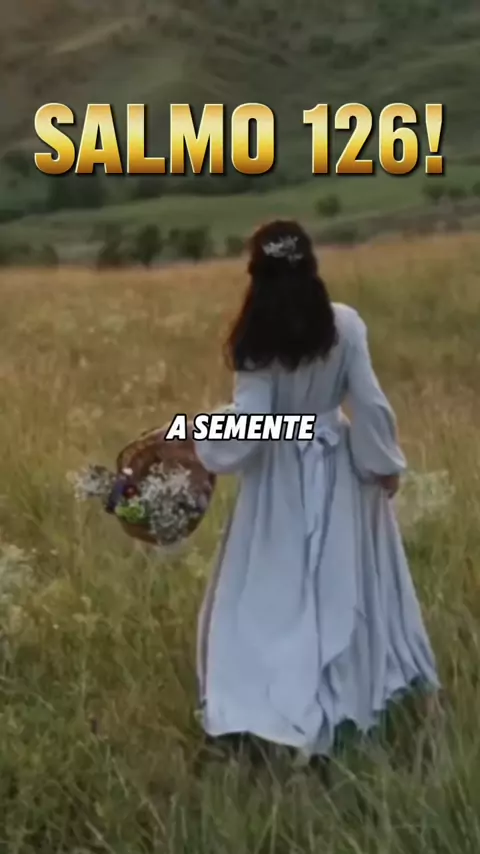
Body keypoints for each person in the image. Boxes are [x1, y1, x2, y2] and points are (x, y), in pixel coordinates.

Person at [193, 219, 440, 763]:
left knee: (273, 588)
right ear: (311, 267)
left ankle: (272, 700)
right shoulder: (344, 324)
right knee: (338, 581)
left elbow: (253, 423)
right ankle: (344, 692)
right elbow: (369, 402)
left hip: (278, 480)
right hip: (337, 466)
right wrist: (383, 464)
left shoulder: (255, 340)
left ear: (257, 274)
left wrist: (194, 437)